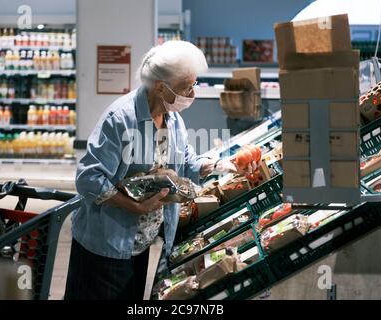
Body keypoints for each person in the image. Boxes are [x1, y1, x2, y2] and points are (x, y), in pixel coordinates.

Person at [64, 40, 256, 300]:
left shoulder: (172, 117)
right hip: (107, 244)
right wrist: (135, 206)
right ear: (160, 87)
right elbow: (89, 178)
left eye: (194, 85)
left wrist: (226, 166)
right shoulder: (120, 119)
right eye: (186, 87)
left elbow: (186, 161)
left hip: (142, 243)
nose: (192, 94)